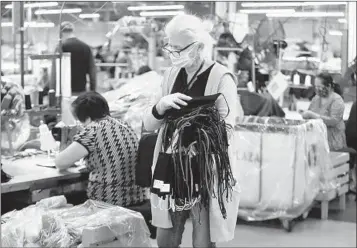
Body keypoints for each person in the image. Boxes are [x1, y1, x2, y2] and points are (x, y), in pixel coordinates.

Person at [143, 14, 242, 247]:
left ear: (198, 46)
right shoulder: (170, 75)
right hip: (170, 169)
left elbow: (228, 127)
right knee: (166, 238)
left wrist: (198, 130)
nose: (173, 54)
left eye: (179, 48)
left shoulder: (220, 76)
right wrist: (160, 106)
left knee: (202, 240)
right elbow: (149, 124)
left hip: (204, 171)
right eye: (171, 47)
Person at [55, 92, 149, 207]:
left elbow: (60, 163)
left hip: (108, 201)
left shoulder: (92, 130)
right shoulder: (125, 125)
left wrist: (66, 140)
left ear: (87, 118)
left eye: (79, 120)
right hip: (137, 197)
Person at [302, 72, 346, 151]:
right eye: (315, 86)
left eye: (319, 87)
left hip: (333, 142)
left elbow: (334, 121)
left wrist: (313, 115)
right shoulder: (316, 98)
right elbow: (309, 114)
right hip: (316, 139)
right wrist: (306, 116)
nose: (317, 89)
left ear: (328, 86)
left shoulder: (337, 100)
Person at [51, 22, 97, 95]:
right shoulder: (86, 47)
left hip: (64, 92)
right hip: (81, 91)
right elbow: (92, 72)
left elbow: (54, 72)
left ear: (61, 32)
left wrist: (53, 91)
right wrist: (93, 91)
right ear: (72, 30)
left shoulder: (60, 47)